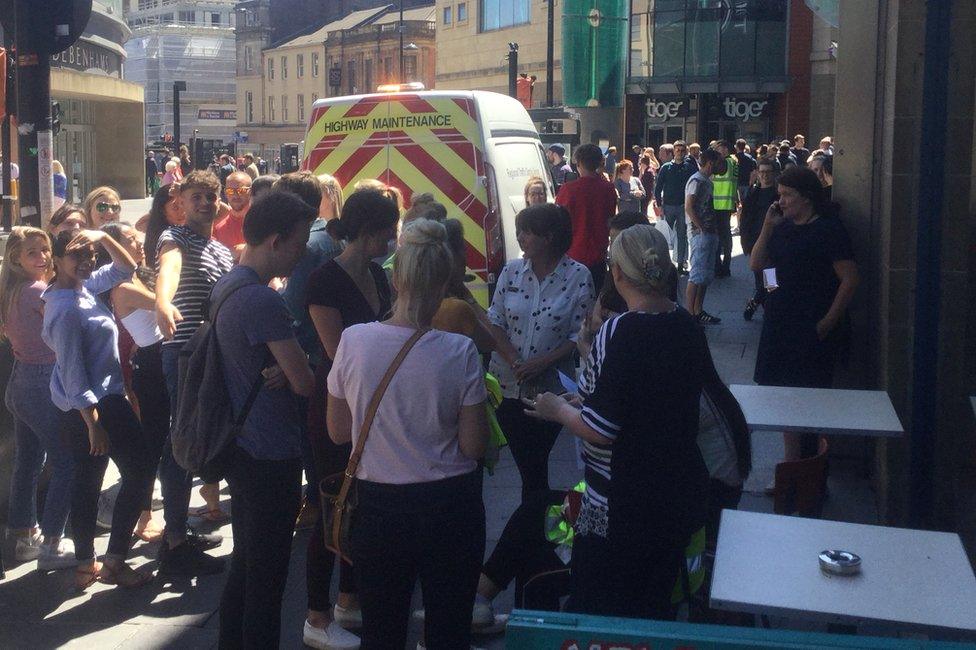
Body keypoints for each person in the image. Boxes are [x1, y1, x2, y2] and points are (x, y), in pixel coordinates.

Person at [524, 224, 709, 619]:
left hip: (622, 503)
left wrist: (557, 409)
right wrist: (586, 401)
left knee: (605, 610)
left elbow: (601, 430)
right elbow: (649, 400)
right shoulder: (687, 325)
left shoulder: (618, 330)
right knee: (654, 610)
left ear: (618, 273)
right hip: (676, 492)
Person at [327, 218, 490, 649]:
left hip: (378, 508)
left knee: (382, 629)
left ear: (396, 278)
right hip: (450, 506)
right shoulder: (460, 351)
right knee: (448, 628)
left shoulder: (353, 341)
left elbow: (338, 431)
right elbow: (474, 447)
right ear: (444, 281)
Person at [215, 191, 317, 648]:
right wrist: (300, 363)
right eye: (298, 244)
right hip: (270, 452)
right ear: (275, 241)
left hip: (241, 445)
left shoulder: (229, 285)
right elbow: (304, 382)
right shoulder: (263, 301)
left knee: (247, 563)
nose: (303, 253)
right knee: (269, 576)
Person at [302, 187, 399, 650]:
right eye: (388, 233)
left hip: (371, 401)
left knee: (357, 501)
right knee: (331, 505)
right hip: (336, 404)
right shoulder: (323, 281)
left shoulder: (380, 276)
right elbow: (336, 353)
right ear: (367, 232)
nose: (393, 241)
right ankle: (316, 616)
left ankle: (348, 597)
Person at [43, 229, 156, 589]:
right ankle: (110, 562)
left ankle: (88, 563)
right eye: (77, 255)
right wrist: (93, 424)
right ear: (56, 260)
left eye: (90, 254)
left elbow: (126, 267)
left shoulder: (83, 288)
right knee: (137, 472)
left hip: (98, 403)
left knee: (90, 481)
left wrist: (101, 237)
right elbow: (73, 373)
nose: (87, 261)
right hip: (95, 407)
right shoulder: (66, 307)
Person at [154, 170, 233, 576]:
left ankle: (180, 527)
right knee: (181, 440)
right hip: (184, 352)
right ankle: (175, 541)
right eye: (196, 196)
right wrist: (163, 302)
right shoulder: (176, 237)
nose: (204, 202)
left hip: (212, 355)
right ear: (181, 202)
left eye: (210, 196)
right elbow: (170, 268)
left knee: (195, 439)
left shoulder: (221, 249)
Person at [750, 167, 859, 461]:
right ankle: (791, 466)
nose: (781, 201)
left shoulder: (829, 230)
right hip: (781, 324)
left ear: (807, 198)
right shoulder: (781, 227)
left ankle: (811, 476)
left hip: (811, 327)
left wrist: (827, 323)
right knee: (784, 401)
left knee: (810, 404)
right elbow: (759, 264)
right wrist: (767, 228)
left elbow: (849, 279)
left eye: (787, 195)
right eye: (779, 195)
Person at [487, 203, 595, 499]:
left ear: (549, 237)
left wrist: (540, 363)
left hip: (551, 390)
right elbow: (494, 320)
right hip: (508, 384)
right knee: (529, 467)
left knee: (534, 463)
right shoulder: (511, 271)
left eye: (527, 231)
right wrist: (516, 360)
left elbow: (580, 333)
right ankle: (538, 518)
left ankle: (535, 520)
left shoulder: (578, 276)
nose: (520, 236)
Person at [0, 227, 77, 570]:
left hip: (20, 382)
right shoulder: (36, 292)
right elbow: (63, 327)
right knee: (66, 463)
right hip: (41, 381)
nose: (43, 257)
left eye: (45, 250)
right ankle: (51, 544)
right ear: (16, 258)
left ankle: (22, 536)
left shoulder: (13, 290)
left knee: (29, 461)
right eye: (33, 252)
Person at [97, 223, 168, 542]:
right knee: (153, 442)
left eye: (137, 238)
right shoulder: (124, 287)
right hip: (151, 366)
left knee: (161, 438)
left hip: (156, 358)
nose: (139, 243)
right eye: (129, 240)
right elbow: (167, 304)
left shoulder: (139, 276)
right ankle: (144, 515)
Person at [281, 173, 343, 364]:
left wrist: (275, 289)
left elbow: (293, 309)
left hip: (313, 354)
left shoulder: (306, 246)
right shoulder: (332, 237)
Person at [555, 143, 617, 290]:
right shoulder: (608, 189)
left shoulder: (568, 189)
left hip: (573, 255)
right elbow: (610, 218)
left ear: (579, 162)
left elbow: (558, 222)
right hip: (598, 254)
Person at [684, 149, 722, 324]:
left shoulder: (707, 181)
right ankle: (689, 314)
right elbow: (689, 206)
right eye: (719, 161)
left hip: (709, 231)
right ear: (710, 162)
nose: (722, 165)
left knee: (705, 275)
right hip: (700, 233)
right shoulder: (696, 180)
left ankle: (698, 310)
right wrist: (700, 227)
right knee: (697, 274)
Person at [740, 158, 779, 321]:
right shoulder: (753, 193)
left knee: (770, 279)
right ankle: (760, 302)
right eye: (761, 172)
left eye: (767, 172)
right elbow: (745, 218)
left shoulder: (778, 195)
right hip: (755, 241)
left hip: (773, 243)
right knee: (758, 277)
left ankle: (763, 305)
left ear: (774, 174)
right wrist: (745, 241)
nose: (764, 175)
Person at [654, 140, 695, 274]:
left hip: (684, 207)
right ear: (673, 152)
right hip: (669, 206)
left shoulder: (690, 167)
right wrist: (659, 205)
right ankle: (661, 263)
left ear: (686, 152)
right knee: (664, 236)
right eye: (677, 150)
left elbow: (695, 186)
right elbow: (658, 187)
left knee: (682, 236)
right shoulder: (666, 167)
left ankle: (679, 265)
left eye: (683, 150)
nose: (680, 153)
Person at [711, 141, 738, 278]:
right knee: (726, 237)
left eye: (717, 148)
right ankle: (725, 266)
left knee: (718, 237)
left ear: (725, 148)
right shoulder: (733, 160)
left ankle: (719, 267)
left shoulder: (725, 162)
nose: (715, 151)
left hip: (718, 203)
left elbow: (714, 173)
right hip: (726, 202)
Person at [213, 171, 253, 258]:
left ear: (250, 192)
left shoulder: (262, 222)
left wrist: (243, 249)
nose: (235, 195)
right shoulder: (218, 228)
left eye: (241, 190)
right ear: (225, 193)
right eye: (230, 191)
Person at [734, 138, 757, 202]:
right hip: (747, 183)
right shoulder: (750, 158)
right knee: (746, 202)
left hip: (736, 183)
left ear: (736, 147)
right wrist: (751, 182)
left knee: (737, 203)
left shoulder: (733, 158)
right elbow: (753, 172)